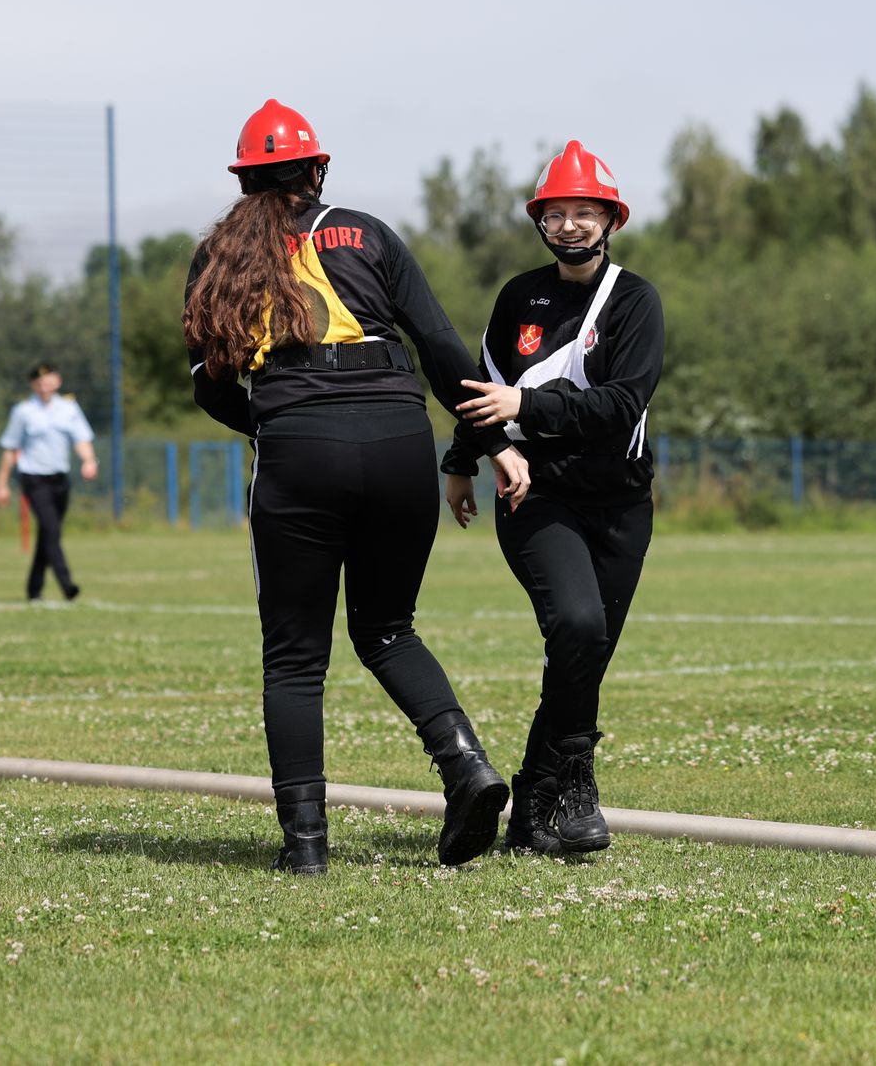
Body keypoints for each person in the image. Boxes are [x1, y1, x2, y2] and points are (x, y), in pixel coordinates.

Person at [184, 99, 533, 875]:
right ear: (319, 170)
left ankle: (306, 847)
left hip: (299, 447)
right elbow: (444, 353)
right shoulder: (369, 233)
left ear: (244, 181)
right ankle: (466, 766)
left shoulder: (217, 255)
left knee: (294, 659)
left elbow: (208, 386)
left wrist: (277, 425)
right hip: (399, 439)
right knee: (386, 629)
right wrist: (491, 442)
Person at [441, 140, 664, 856]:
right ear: (541, 221)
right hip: (535, 495)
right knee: (576, 623)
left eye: (583, 211)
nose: (569, 224)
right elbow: (483, 385)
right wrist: (460, 459)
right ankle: (577, 784)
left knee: (585, 651)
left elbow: (619, 407)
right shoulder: (518, 296)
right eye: (556, 212)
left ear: (611, 217)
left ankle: (533, 807)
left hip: (622, 504)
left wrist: (528, 406)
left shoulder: (634, 301)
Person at [0, 363, 97, 600]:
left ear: (57, 381)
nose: (44, 386)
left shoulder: (69, 408)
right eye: (39, 383)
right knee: (51, 529)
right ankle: (67, 585)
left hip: (60, 479)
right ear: (33, 385)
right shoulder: (23, 411)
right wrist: (1, 484)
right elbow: (10, 449)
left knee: (49, 534)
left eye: (48, 381)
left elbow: (81, 439)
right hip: (33, 479)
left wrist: (89, 461)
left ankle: (34, 589)